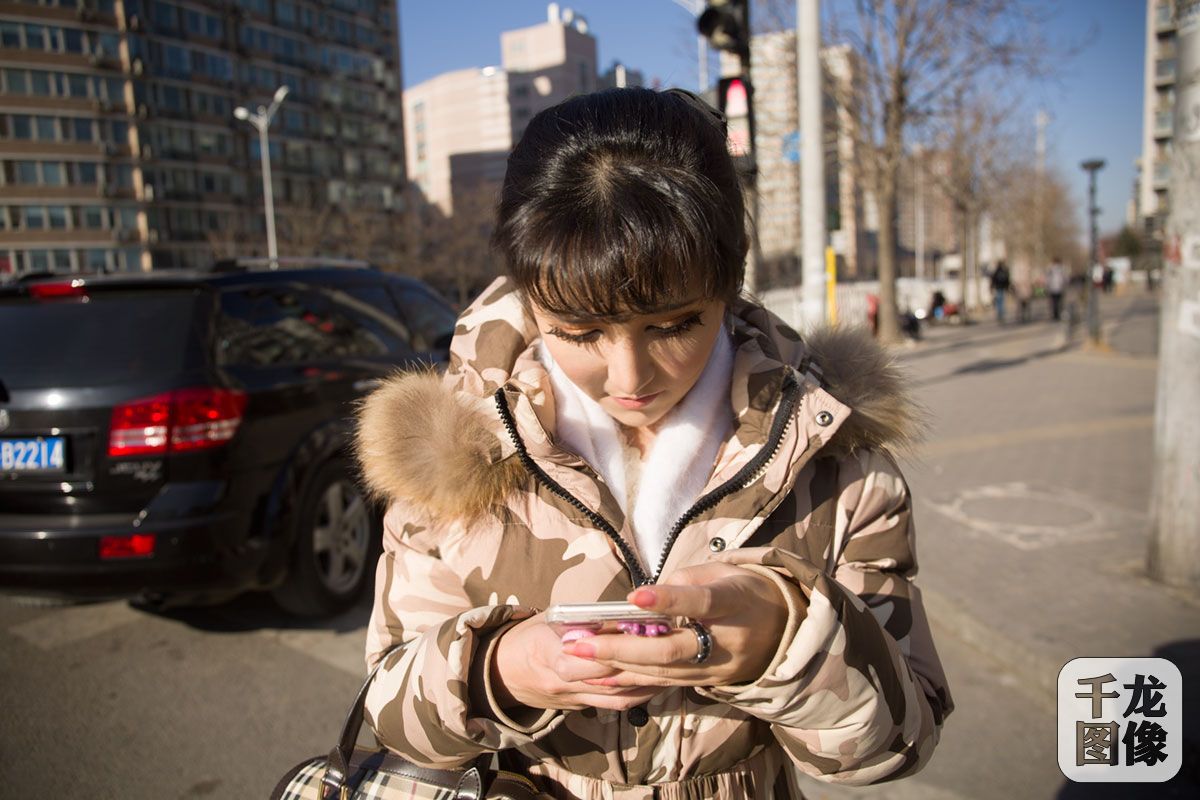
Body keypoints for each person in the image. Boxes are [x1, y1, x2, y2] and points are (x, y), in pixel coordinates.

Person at [355, 88, 951, 799]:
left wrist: (783, 642)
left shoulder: (831, 456)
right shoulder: (451, 451)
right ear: (526, 292)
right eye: (578, 333)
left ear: (728, 286)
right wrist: (502, 669)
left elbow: (899, 743)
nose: (629, 376)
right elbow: (388, 710)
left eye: (675, 326)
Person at [1046, 256, 1067, 321]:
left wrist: (1048, 286)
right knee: (1059, 302)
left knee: (1054, 302)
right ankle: (1058, 315)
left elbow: (1048, 279)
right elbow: (1065, 278)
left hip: (1052, 288)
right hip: (1060, 288)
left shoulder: (1050, 269)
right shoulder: (1062, 269)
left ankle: (1055, 315)